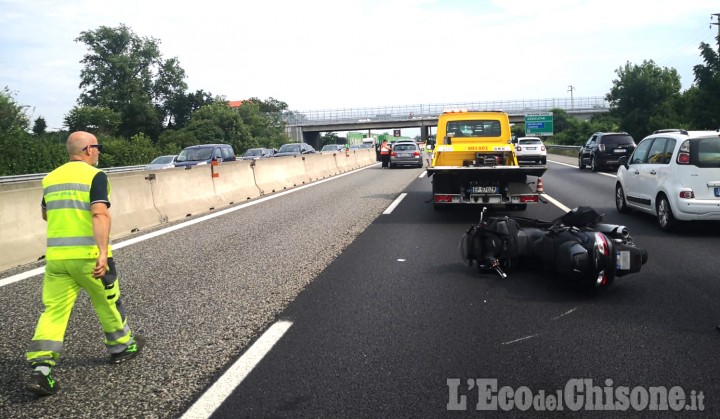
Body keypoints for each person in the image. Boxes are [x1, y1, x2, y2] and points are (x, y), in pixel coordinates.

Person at [25, 131, 144, 397]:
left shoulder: (51, 177)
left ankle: (41, 369)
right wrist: (102, 252)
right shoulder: (95, 176)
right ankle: (122, 347)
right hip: (89, 257)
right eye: (98, 147)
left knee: (53, 311)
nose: (99, 151)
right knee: (108, 301)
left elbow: (46, 213)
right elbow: (99, 213)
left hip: (57, 259)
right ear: (89, 149)